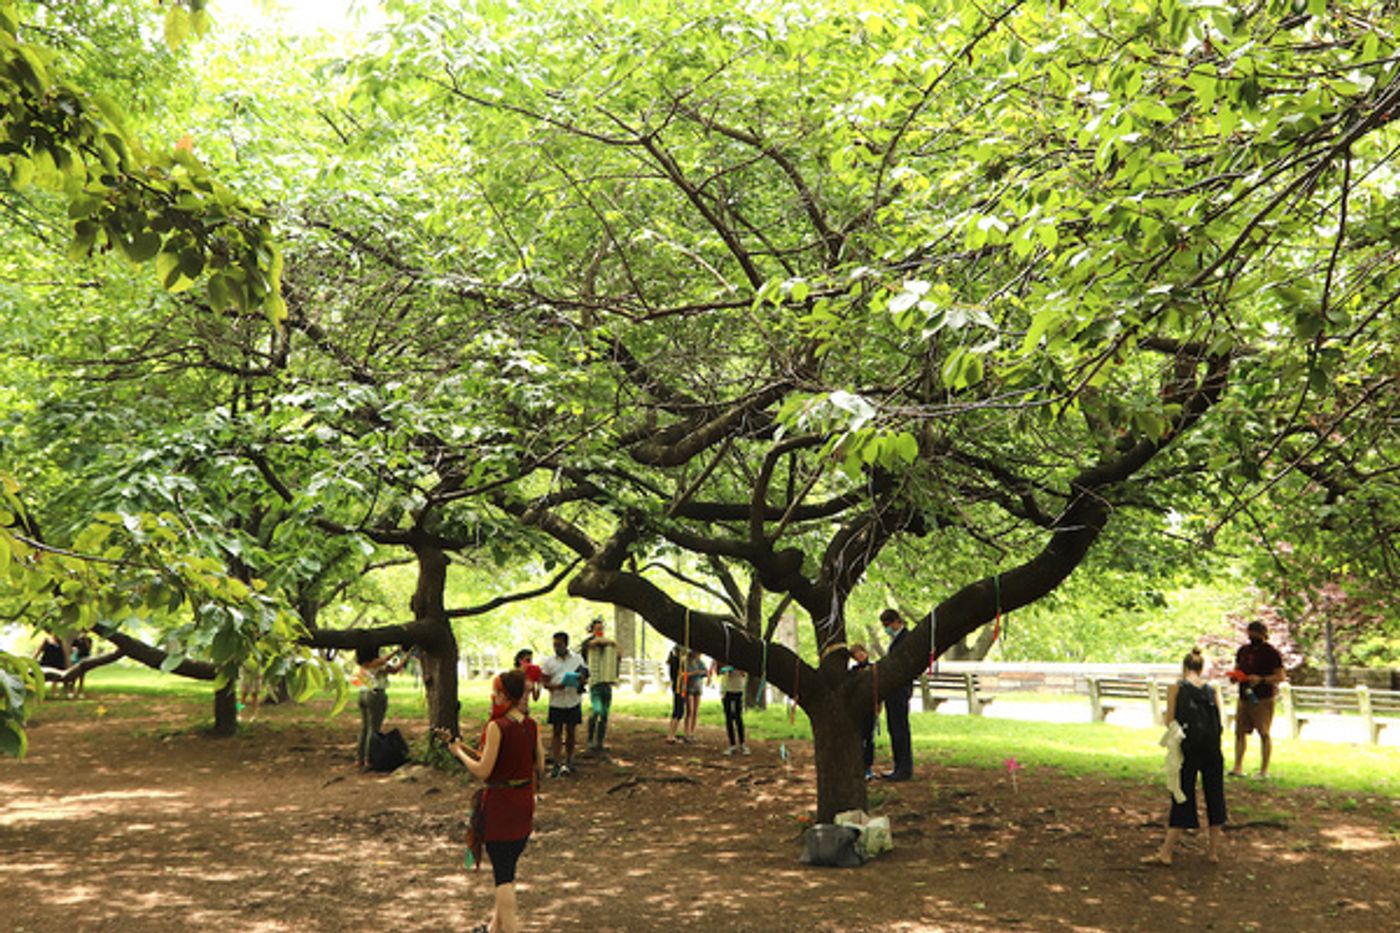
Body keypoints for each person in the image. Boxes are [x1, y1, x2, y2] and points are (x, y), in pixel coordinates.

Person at [444, 670, 545, 933]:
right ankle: (493, 929)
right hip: (524, 802)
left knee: (502, 876)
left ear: (504, 695)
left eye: (497, 691)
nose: (494, 696)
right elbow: (541, 764)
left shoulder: (497, 726)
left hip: (501, 806)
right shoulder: (531, 725)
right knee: (508, 868)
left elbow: (483, 771)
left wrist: (458, 753)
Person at [1144, 647, 1227, 866]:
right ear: (1201, 668)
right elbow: (1221, 721)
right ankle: (1212, 852)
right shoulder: (1212, 689)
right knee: (1215, 795)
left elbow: (1169, 720)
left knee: (1182, 795)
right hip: (1212, 749)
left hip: (1188, 749)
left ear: (1184, 668)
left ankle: (1166, 852)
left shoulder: (1175, 688)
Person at [1231, 620, 1286, 778]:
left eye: (1255, 633)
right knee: (1240, 732)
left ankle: (1264, 770)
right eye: (1250, 632)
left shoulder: (1271, 653)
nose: (1252, 636)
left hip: (1263, 698)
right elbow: (1237, 668)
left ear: (1263, 634)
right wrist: (1236, 677)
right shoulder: (1243, 651)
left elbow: (1280, 676)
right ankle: (1237, 767)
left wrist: (1261, 679)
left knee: (1264, 733)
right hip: (1244, 696)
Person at [354, 645, 408, 771]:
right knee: (374, 729)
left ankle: (359, 759)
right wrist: (401, 652)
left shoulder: (362, 664)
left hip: (362, 694)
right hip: (375, 695)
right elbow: (388, 663)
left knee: (365, 728)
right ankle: (369, 759)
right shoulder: (375, 663)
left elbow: (392, 669)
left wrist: (403, 656)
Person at [540, 631, 586, 776]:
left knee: (571, 731)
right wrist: (556, 687)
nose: (556, 647)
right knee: (556, 732)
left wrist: (581, 680)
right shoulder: (549, 662)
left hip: (573, 700)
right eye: (554, 645)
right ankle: (556, 762)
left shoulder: (577, 659)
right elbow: (545, 683)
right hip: (557, 701)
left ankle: (570, 760)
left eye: (559, 644)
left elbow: (585, 674)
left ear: (566, 644)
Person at [878, 609, 913, 781]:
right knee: (894, 728)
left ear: (896, 621)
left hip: (899, 690)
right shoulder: (897, 640)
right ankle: (899, 766)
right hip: (893, 691)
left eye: (887, 625)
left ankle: (904, 768)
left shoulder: (906, 639)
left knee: (900, 729)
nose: (887, 629)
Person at [579, 617, 620, 755]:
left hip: (606, 682)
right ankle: (590, 739)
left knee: (605, 714)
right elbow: (591, 644)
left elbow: (618, 651)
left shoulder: (608, 644)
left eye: (601, 628)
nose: (600, 631)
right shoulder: (588, 642)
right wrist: (610, 641)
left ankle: (600, 743)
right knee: (597, 710)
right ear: (592, 629)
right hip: (595, 682)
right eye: (597, 629)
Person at [850, 643, 877, 780]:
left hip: (870, 708)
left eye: (861, 653)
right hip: (857, 708)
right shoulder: (853, 671)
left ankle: (868, 767)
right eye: (856, 655)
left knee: (869, 738)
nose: (860, 656)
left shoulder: (874, 668)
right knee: (858, 738)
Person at [711, 656, 749, 755]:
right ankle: (732, 745)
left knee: (738, 717)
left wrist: (736, 668)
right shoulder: (724, 658)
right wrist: (724, 668)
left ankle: (742, 744)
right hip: (726, 691)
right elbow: (718, 672)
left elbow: (744, 673)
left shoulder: (741, 660)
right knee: (728, 718)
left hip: (738, 689)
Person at [682, 649, 708, 743]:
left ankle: (692, 732)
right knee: (690, 710)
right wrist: (696, 672)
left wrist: (700, 672)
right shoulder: (686, 662)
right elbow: (685, 674)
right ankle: (687, 732)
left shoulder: (699, 662)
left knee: (695, 711)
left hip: (698, 687)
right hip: (689, 688)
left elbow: (705, 671)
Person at [35, 632, 67, 698]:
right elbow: (38, 651)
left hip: (57, 662)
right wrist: (33, 659)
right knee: (43, 678)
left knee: (55, 678)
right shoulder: (46, 640)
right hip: (46, 662)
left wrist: (65, 662)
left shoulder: (60, 641)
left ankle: (54, 692)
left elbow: (63, 653)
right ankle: (41, 693)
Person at [665, 644, 685, 744]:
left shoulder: (673, 661)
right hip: (679, 687)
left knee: (678, 710)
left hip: (677, 687)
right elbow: (680, 674)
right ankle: (670, 735)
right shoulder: (677, 662)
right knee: (678, 711)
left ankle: (671, 734)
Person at [67, 632, 93, 698]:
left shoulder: (89, 640)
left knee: (82, 675)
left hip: (84, 658)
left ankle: (80, 691)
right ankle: (71, 691)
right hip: (76, 659)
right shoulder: (77, 640)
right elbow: (72, 647)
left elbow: (89, 648)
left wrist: (86, 640)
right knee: (74, 675)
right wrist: (75, 650)